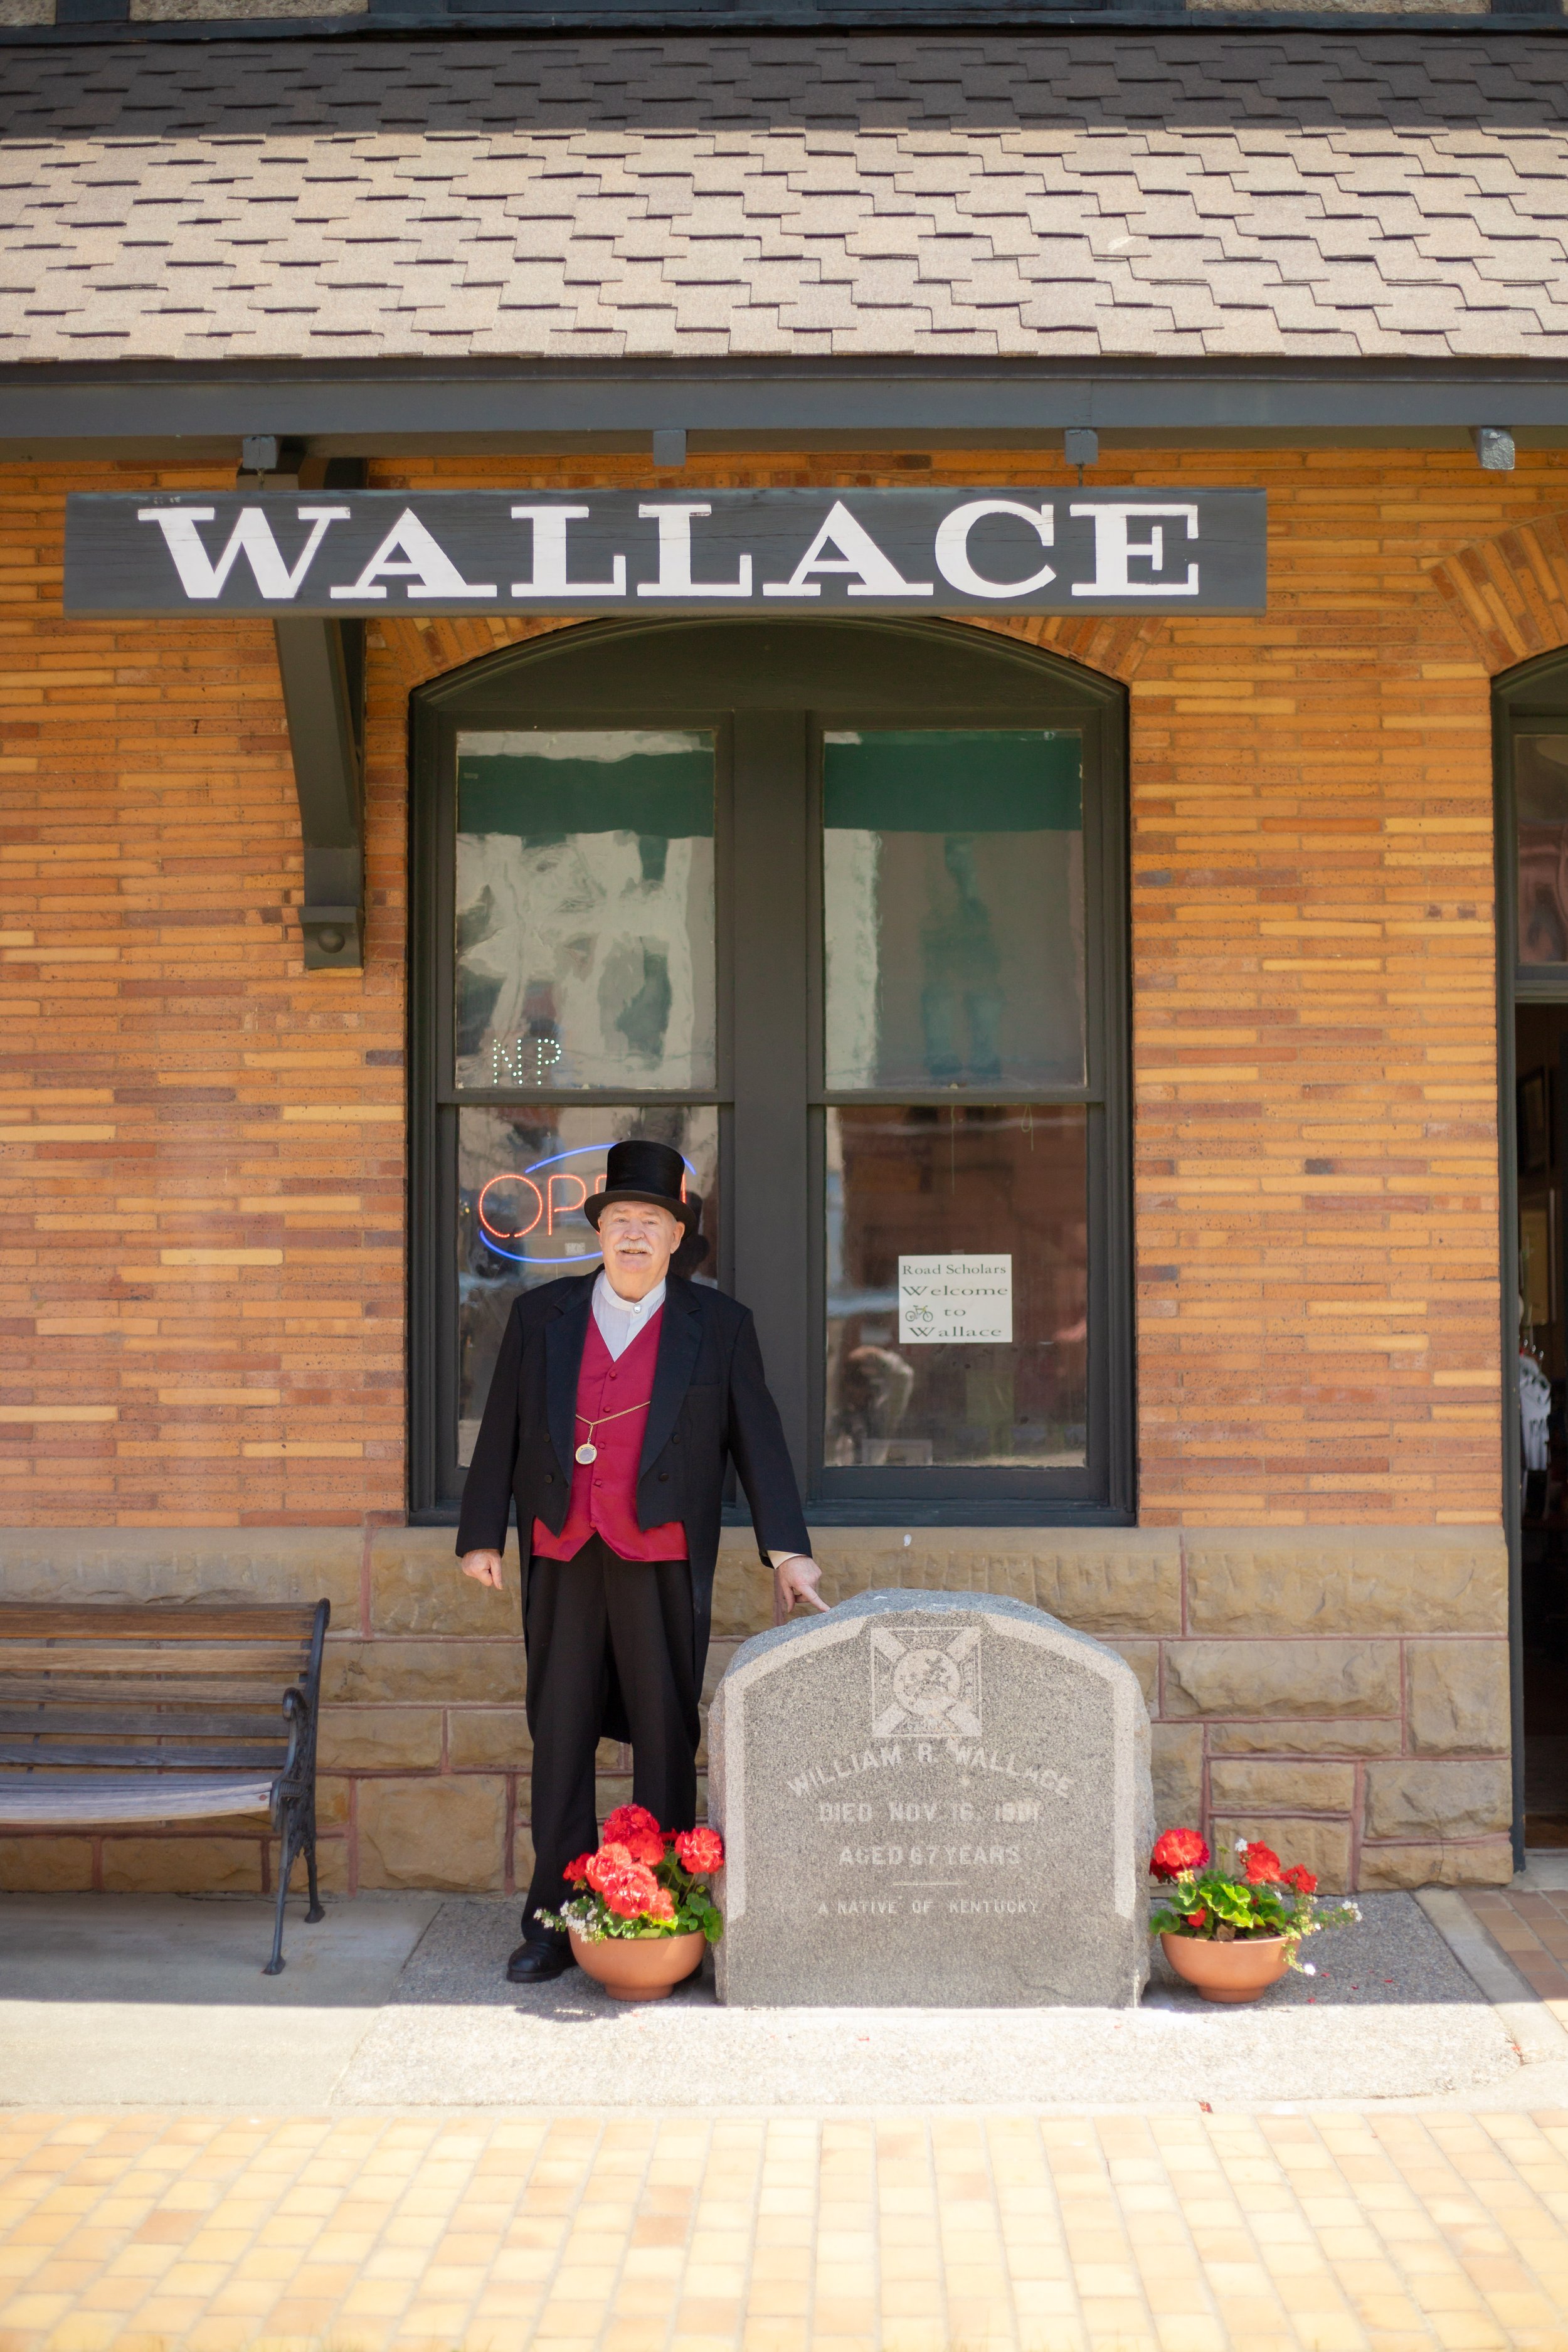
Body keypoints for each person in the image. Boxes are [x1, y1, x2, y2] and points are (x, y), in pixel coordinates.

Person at [457, 1136, 828, 1983]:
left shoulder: (719, 1327)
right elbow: (503, 1429)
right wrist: (483, 1532)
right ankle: (553, 1917)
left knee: (665, 1733)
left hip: (659, 1552)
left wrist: (788, 1550)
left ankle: (663, 1908)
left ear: (674, 1237)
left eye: (650, 1221)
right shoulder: (539, 1317)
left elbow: (758, 1440)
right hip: (562, 1545)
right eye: (619, 1219)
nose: (633, 1234)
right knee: (558, 1735)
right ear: (599, 1232)